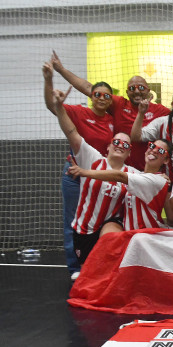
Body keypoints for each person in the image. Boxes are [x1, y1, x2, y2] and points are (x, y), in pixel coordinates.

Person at [49, 51, 173, 170]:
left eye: (141, 88)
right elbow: (89, 88)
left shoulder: (160, 111)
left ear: (148, 90)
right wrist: (61, 70)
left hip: (148, 170)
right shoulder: (118, 104)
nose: (136, 91)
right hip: (120, 168)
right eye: (132, 88)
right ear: (126, 92)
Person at [43, 60, 115, 280]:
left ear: (110, 100)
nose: (101, 98)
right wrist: (49, 79)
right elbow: (52, 106)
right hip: (75, 176)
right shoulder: (78, 112)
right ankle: (75, 268)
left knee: (98, 221)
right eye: (97, 94)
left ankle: (95, 264)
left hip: (99, 178)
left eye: (106, 96)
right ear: (91, 96)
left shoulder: (112, 121)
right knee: (72, 221)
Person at [50, 88, 132, 266]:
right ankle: (77, 269)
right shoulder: (93, 159)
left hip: (109, 225)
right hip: (85, 230)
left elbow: (151, 181)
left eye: (125, 145)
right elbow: (72, 133)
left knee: (111, 236)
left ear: (129, 153)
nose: (120, 145)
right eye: (116, 142)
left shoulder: (132, 173)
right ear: (109, 146)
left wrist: (162, 178)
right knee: (88, 270)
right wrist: (59, 107)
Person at [69, 139, 173, 230]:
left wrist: (83, 172)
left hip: (146, 236)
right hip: (131, 236)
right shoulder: (139, 175)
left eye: (160, 151)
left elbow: (120, 176)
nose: (154, 150)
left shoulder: (158, 180)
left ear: (166, 160)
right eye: (152, 146)